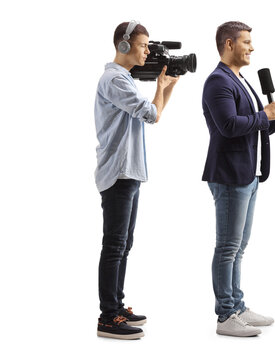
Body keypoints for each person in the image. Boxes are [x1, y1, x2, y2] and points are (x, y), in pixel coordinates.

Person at [202, 21, 275, 337]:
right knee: (227, 247)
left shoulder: (240, 79)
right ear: (229, 44)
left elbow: (254, 125)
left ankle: (237, 306)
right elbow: (229, 126)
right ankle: (225, 316)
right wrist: (267, 116)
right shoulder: (217, 82)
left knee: (239, 246)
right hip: (229, 175)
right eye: (247, 42)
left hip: (247, 175)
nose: (251, 48)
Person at [94, 20, 179, 340]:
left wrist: (167, 86)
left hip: (128, 171)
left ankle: (116, 306)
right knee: (114, 245)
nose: (148, 51)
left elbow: (153, 114)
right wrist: (160, 87)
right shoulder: (115, 79)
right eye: (144, 46)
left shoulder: (123, 79)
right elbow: (151, 114)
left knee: (123, 243)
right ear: (125, 45)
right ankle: (107, 316)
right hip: (118, 171)